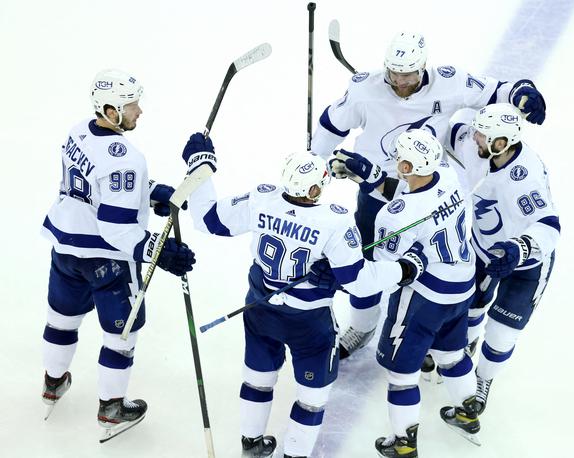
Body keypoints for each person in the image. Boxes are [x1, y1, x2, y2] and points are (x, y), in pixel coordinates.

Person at [181, 134, 426, 458]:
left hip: (260, 310)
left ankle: (251, 444)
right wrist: (403, 269)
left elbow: (208, 219)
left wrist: (200, 168)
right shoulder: (334, 220)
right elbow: (360, 283)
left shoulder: (262, 198)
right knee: (312, 398)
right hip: (309, 324)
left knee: (257, 381)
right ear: (313, 190)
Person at [310, 31, 548, 359]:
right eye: (393, 73)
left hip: (426, 194)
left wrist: (523, 92)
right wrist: (313, 163)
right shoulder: (365, 90)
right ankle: (363, 326)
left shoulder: (449, 82)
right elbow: (331, 124)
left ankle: (422, 332)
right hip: (375, 193)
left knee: (425, 265)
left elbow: (496, 91)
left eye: (406, 73)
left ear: (423, 67)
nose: (399, 80)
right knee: (364, 262)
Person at [39, 69, 196, 441]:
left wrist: (150, 192)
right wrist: (160, 252)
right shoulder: (127, 157)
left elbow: (99, 186)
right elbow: (116, 228)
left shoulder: (77, 130)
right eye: (132, 105)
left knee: (61, 320)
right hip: (105, 261)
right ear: (110, 110)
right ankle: (111, 409)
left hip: (65, 249)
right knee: (121, 336)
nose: (139, 111)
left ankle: (52, 383)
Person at [331, 129, 482, 457]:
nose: (396, 161)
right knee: (451, 353)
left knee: (401, 372)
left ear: (409, 167)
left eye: (401, 159)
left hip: (423, 297)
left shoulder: (393, 217)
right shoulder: (447, 174)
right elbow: (413, 195)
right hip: (460, 286)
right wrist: (370, 178)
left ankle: (403, 443)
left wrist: (338, 269)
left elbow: (386, 274)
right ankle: (468, 411)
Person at [447, 103, 560, 415]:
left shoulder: (525, 179)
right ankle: (463, 352)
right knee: (470, 307)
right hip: (483, 248)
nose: (475, 139)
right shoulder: (482, 148)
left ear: (501, 143)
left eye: (482, 135)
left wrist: (519, 248)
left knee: (500, 334)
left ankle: (483, 380)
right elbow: (448, 129)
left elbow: (550, 227)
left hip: (526, 264)